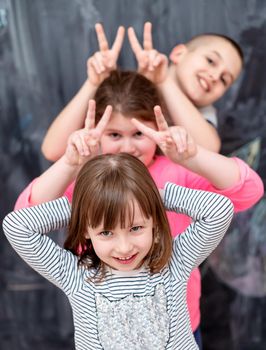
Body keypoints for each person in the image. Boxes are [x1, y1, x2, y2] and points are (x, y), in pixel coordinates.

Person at [14, 70, 264, 349]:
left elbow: (249, 191)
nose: (127, 146)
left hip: (180, 325)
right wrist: (85, 197)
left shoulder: (176, 172)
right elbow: (24, 217)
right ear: (98, 133)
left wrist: (176, 174)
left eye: (138, 134)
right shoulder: (90, 180)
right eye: (114, 134)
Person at [4, 152, 235, 350]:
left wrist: (154, 198)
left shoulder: (175, 261)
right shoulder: (74, 274)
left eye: (135, 228)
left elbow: (220, 210)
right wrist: (86, 206)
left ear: (153, 221)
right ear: (86, 229)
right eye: (106, 233)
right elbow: (17, 226)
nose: (124, 247)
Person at [41, 22, 243, 161]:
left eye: (225, 79)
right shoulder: (127, 90)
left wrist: (164, 82)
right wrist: (94, 83)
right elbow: (52, 150)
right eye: (210, 61)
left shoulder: (203, 115)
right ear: (179, 53)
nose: (215, 76)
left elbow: (208, 150)